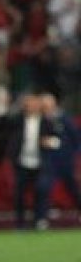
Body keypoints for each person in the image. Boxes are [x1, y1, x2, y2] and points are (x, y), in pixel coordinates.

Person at [8, 92, 56, 230]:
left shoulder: (47, 122)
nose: (32, 107)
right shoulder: (18, 121)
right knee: (19, 194)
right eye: (29, 104)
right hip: (22, 162)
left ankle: (40, 220)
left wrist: (49, 142)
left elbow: (57, 140)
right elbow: (4, 122)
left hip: (40, 163)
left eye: (34, 104)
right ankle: (20, 223)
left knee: (41, 191)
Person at [39, 92, 81, 221]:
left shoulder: (64, 118)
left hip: (65, 161)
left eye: (47, 105)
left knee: (73, 188)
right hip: (49, 162)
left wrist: (72, 156)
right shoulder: (41, 120)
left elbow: (75, 138)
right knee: (45, 188)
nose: (46, 108)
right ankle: (42, 218)